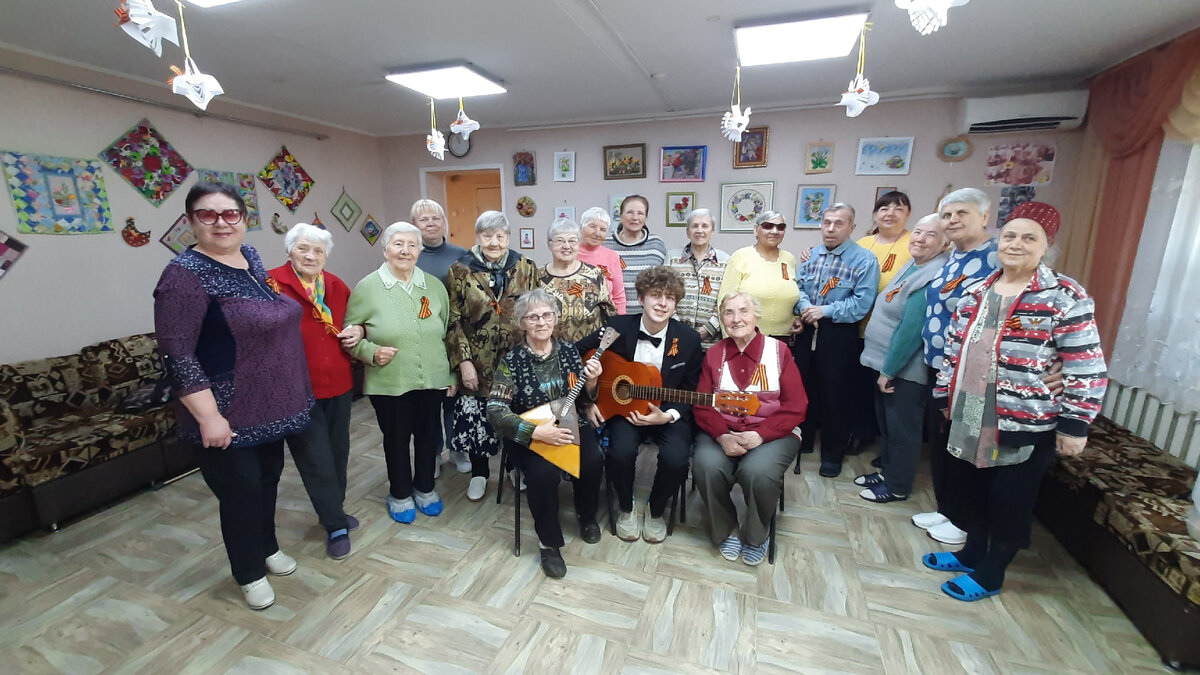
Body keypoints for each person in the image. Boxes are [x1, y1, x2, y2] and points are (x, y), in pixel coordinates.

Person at [928, 202, 1107, 602]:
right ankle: (972, 553)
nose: (1016, 244)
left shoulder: (1063, 295)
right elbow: (954, 350)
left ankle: (992, 572)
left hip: (1023, 418)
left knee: (1008, 499)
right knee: (972, 488)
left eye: (1029, 238)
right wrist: (943, 394)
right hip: (969, 410)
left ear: (1046, 246)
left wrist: (1076, 423)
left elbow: (1086, 364)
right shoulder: (976, 291)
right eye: (1009, 235)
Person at [153, 182, 312, 611]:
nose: (221, 223)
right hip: (225, 409)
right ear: (191, 222)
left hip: (269, 406)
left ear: (243, 219)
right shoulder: (183, 275)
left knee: (267, 480)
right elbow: (177, 353)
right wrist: (209, 417)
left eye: (230, 214)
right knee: (239, 493)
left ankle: (267, 547)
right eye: (208, 214)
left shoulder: (250, 259)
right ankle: (248, 571)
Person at [486, 289, 605, 578]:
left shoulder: (568, 351)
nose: (541, 322)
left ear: (555, 318)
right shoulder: (511, 361)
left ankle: (586, 515)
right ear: (522, 323)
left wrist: (592, 384)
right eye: (533, 317)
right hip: (528, 432)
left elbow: (580, 397)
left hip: (568, 424)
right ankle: (548, 543)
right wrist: (536, 432)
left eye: (547, 315)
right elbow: (495, 410)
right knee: (544, 474)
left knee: (592, 460)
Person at [579, 267, 702, 544]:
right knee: (619, 453)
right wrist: (588, 399)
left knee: (676, 459)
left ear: (676, 304)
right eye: (656, 295)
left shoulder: (689, 339)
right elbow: (575, 354)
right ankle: (626, 506)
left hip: (667, 411)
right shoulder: (617, 327)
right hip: (624, 408)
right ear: (641, 298)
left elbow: (692, 389)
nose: (662, 303)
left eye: (670, 298)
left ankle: (656, 511)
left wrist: (668, 415)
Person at [345, 222, 454, 524]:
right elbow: (350, 336)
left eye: (412, 245)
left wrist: (451, 375)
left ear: (419, 250)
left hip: (432, 378)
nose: (405, 251)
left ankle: (425, 488)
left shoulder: (434, 286)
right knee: (396, 439)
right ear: (385, 250)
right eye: (398, 244)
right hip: (388, 381)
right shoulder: (367, 287)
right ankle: (400, 493)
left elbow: (448, 333)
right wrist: (370, 352)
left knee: (428, 436)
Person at [268, 224, 361, 560]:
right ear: (289, 250)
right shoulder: (271, 283)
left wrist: (359, 329)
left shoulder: (335, 286)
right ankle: (335, 525)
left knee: (337, 451)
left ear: (326, 256)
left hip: (338, 383)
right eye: (303, 248)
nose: (310, 256)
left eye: (318, 251)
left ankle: (333, 509)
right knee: (314, 456)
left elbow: (356, 320)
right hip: (296, 388)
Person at [693, 292, 807, 566]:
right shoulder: (714, 354)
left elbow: (796, 405)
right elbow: (702, 405)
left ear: (756, 315)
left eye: (743, 311)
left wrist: (760, 435)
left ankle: (756, 535)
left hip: (774, 433)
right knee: (706, 465)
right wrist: (722, 436)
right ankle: (727, 529)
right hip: (723, 430)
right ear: (722, 320)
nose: (736, 319)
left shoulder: (779, 351)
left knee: (757, 472)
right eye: (729, 313)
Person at [446, 211, 540, 501]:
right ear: (478, 237)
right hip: (477, 360)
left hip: (517, 358)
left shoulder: (526, 267)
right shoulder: (460, 270)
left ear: (508, 237)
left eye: (500, 236)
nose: (494, 242)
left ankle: (513, 466)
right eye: (487, 236)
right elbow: (453, 319)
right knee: (477, 416)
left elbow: (537, 312)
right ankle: (479, 472)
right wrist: (464, 362)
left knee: (515, 414)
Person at [854, 214, 948, 502]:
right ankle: (888, 472)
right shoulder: (915, 263)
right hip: (887, 363)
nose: (920, 239)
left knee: (902, 430)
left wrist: (889, 370)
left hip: (904, 370)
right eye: (918, 232)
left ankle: (897, 486)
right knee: (888, 425)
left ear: (944, 244)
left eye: (930, 235)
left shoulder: (932, 273)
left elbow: (910, 330)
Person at [790, 203, 880, 478]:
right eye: (826, 222)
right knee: (804, 389)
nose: (830, 228)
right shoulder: (811, 255)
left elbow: (862, 303)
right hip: (807, 329)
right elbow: (798, 288)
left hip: (839, 332)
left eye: (838, 223)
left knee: (836, 395)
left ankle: (832, 454)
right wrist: (806, 308)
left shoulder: (864, 260)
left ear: (851, 227)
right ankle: (803, 441)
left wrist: (824, 311)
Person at [846, 191, 915, 454]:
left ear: (907, 214)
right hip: (858, 326)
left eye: (898, 208)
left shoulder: (913, 242)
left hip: (892, 330)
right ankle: (860, 434)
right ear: (875, 214)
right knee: (859, 386)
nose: (890, 214)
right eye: (884, 208)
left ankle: (888, 447)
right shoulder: (862, 243)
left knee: (887, 389)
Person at [410, 198, 471, 476]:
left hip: (455, 337)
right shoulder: (410, 255)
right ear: (415, 224)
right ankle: (432, 453)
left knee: (454, 400)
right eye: (424, 219)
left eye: (436, 218)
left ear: (444, 222)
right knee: (428, 402)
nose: (431, 224)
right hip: (422, 339)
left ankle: (457, 450)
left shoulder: (461, 254)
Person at [718, 211, 799, 340]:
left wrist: (798, 318)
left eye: (780, 227)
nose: (774, 231)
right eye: (768, 226)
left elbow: (795, 296)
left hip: (785, 339)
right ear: (756, 230)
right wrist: (730, 339)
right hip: (746, 338)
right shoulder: (741, 257)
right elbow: (724, 302)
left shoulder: (789, 259)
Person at [538, 217, 616, 342]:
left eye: (572, 241)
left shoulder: (594, 275)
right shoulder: (537, 276)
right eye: (560, 241)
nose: (566, 246)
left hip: (589, 349)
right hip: (549, 349)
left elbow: (609, 315)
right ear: (549, 244)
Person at [668, 208, 730, 349]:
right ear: (687, 231)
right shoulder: (672, 258)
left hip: (712, 343)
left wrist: (710, 327)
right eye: (694, 226)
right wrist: (678, 327)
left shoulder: (725, 261)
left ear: (712, 231)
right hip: (676, 340)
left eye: (705, 226)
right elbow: (664, 294)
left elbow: (727, 299)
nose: (699, 230)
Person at [605, 195, 667, 314]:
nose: (635, 218)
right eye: (630, 212)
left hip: (649, 317)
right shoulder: (606, 245)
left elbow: (664, 282)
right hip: (614, 316)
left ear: (645, 217)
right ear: (620, 216)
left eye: (640, 213)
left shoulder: (656, 244)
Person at [576, 207, 626, 314]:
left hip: (606, 318)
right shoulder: (569, 254)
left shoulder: (612, 257)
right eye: (592, 226)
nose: (597, 233)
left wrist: (621, 321)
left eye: (603, 230)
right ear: (581, 227)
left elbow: (619, 295)